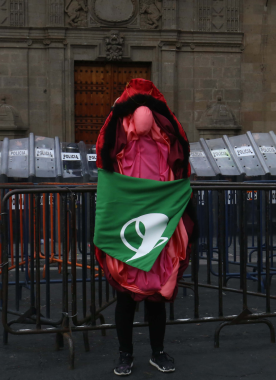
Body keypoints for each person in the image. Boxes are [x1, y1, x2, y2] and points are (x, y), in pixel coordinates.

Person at [94, 79, 196, 376]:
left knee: (152, 293)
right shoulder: (157, 131)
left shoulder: (153, 132)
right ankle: (131, 353)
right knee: (132, 294)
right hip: (137, 220)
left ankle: (154, 352)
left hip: (153, 220)